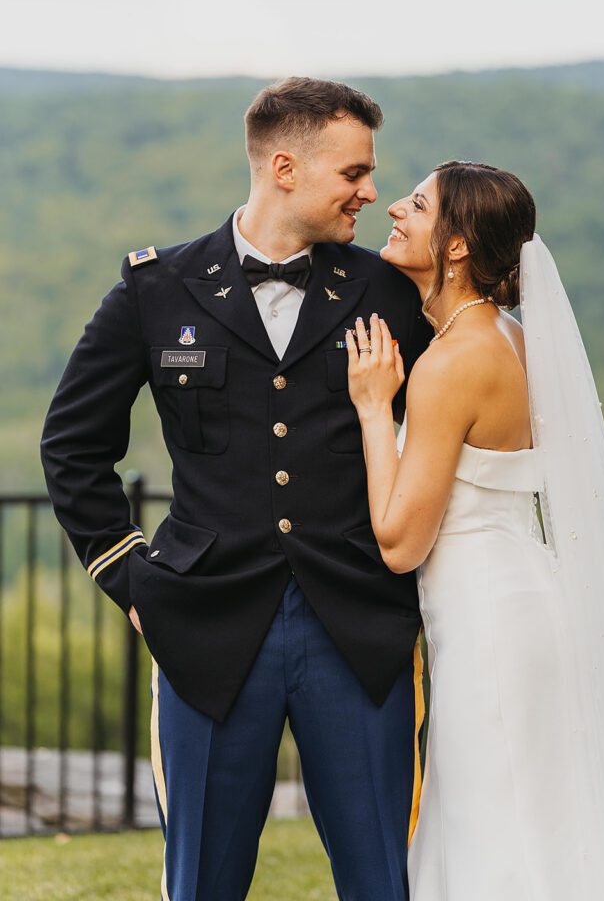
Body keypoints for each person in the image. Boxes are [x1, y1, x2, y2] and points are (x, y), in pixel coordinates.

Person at [40, 77, 432, 901]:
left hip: (358, 625)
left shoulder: (388, 292)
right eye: (354, 173)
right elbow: (73, 445)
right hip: (204, 628)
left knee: (385, 880)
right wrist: (130, 579)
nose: (371, 192)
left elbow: (451, 432)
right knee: (202, 883)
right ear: (284, 167)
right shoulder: (157, 289)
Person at [346, 160, 604, 899]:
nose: (395, 208)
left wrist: (375, 408)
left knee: (495, 829)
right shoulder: (512, 339)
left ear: (458, 245)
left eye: (419, 203)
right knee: (544, 821)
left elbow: (400, 542)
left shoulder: (449, 365)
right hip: (527, 602)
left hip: (492, 627)